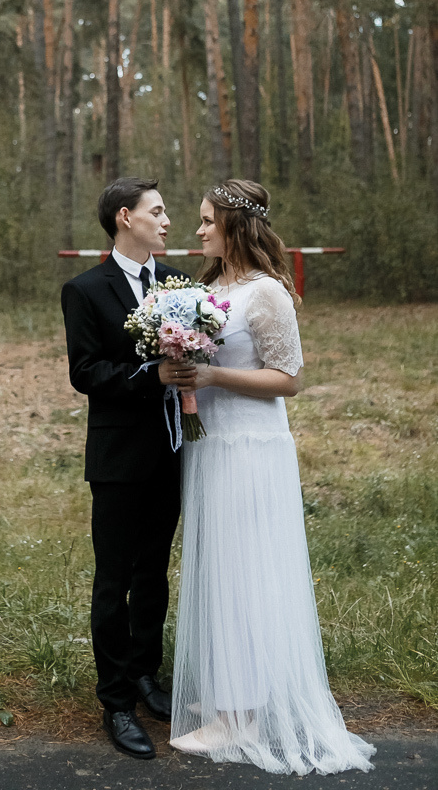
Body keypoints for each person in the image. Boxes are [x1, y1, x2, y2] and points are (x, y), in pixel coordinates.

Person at [169, 179, 375, 775]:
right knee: (220, 570)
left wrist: (211, 380)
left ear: (234, 226)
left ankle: (242, 720)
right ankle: (233, 694)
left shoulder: (266, 295)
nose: (199, 230)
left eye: (207, 221)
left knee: (246, 571)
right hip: (211, 448)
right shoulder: (207, 289)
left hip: (252, 450)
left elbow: (288, 378)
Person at [61, 177, 196, 761]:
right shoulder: (86, 290)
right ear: (125, 218)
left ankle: (145, 676)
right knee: (113, 580)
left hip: (170, 451)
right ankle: (115, 701)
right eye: (158, 212)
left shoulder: (176, 285)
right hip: (117, 458)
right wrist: (151, 377)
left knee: (154, 574)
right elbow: (86, 373)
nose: (167, 222)